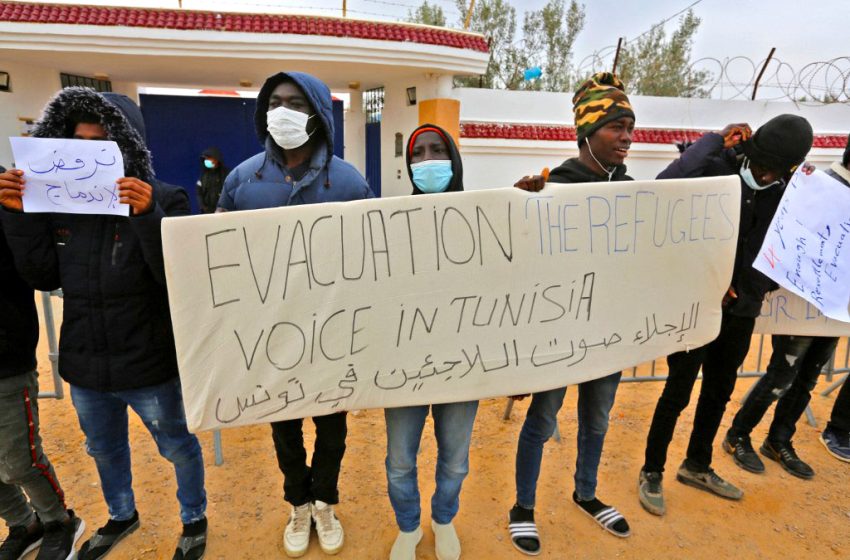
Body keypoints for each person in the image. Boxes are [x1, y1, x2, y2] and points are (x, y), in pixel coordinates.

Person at [0, 88, 207, 560]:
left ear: (128, 146)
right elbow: (41, 274)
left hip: (149, 363)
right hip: (86, 366)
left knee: (177, 446)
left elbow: (177, 277)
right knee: (104, 450)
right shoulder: (61, 204)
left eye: (102, 144)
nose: (88, 153)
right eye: (79, 142)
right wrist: (16, 217)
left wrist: (146, 215)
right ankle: (121, 515)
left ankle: (194, 518)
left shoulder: (167, 198)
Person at [216, 71, 372, 558]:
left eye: (297, 103)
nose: (283, 111)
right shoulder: (242, 180)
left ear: (319, 115)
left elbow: (371, 261)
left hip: (332, 333)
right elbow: (217, 257)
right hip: (270, 337)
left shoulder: (348, 182)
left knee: (331, 428)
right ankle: (297, 502)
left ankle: (325, 499)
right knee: (283, 425)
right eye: (276, 102)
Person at [637, 114, 814, 516]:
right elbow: (666, 188)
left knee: (718, 391)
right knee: (677, 392)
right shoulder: (717, 170)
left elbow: (783, 254)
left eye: (775, 172)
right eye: (762, 166)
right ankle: (651, 471)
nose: (766, 176)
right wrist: (714, 140)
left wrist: (752, 287)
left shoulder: (788, 194)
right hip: (698, 306)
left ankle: (697, 465)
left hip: (742, 312)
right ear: (750, 153)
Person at [508, 73, 634, 556]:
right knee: (542, 420)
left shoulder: (633, 195)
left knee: (597, 419)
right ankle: (522, 507)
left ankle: (586, 493)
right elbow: (522, 263)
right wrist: (522, 207)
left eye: (630, 128)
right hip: (559, 335)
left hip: (610, 332)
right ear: (587, 132)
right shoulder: (554, 188)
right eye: (616, 127)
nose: (626, 137)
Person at [385, 123, 474, 560]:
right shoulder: (387, 225)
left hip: (463, 366)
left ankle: (442, 521)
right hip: (405, 368)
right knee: (399, 462)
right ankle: (407, 527)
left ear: (454, 159)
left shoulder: (485, 219)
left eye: (438, 151)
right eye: (418, 154)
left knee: (455, 462)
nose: (427, 161)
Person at [0, 222, 84, 560]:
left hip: (6, 362)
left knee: (21, 461)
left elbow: (38, 272)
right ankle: (23, 523)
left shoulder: (7, 212)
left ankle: (59, 521)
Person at [195, 147, 228, 214]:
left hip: (223, 212)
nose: (206, 161)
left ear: (216, 159)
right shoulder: (203, 176)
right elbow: (199, 193)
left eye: (208, 158)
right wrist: (203, 207)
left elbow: (229, 193)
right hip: (206, 212)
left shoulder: (226, 174)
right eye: (205, 159)